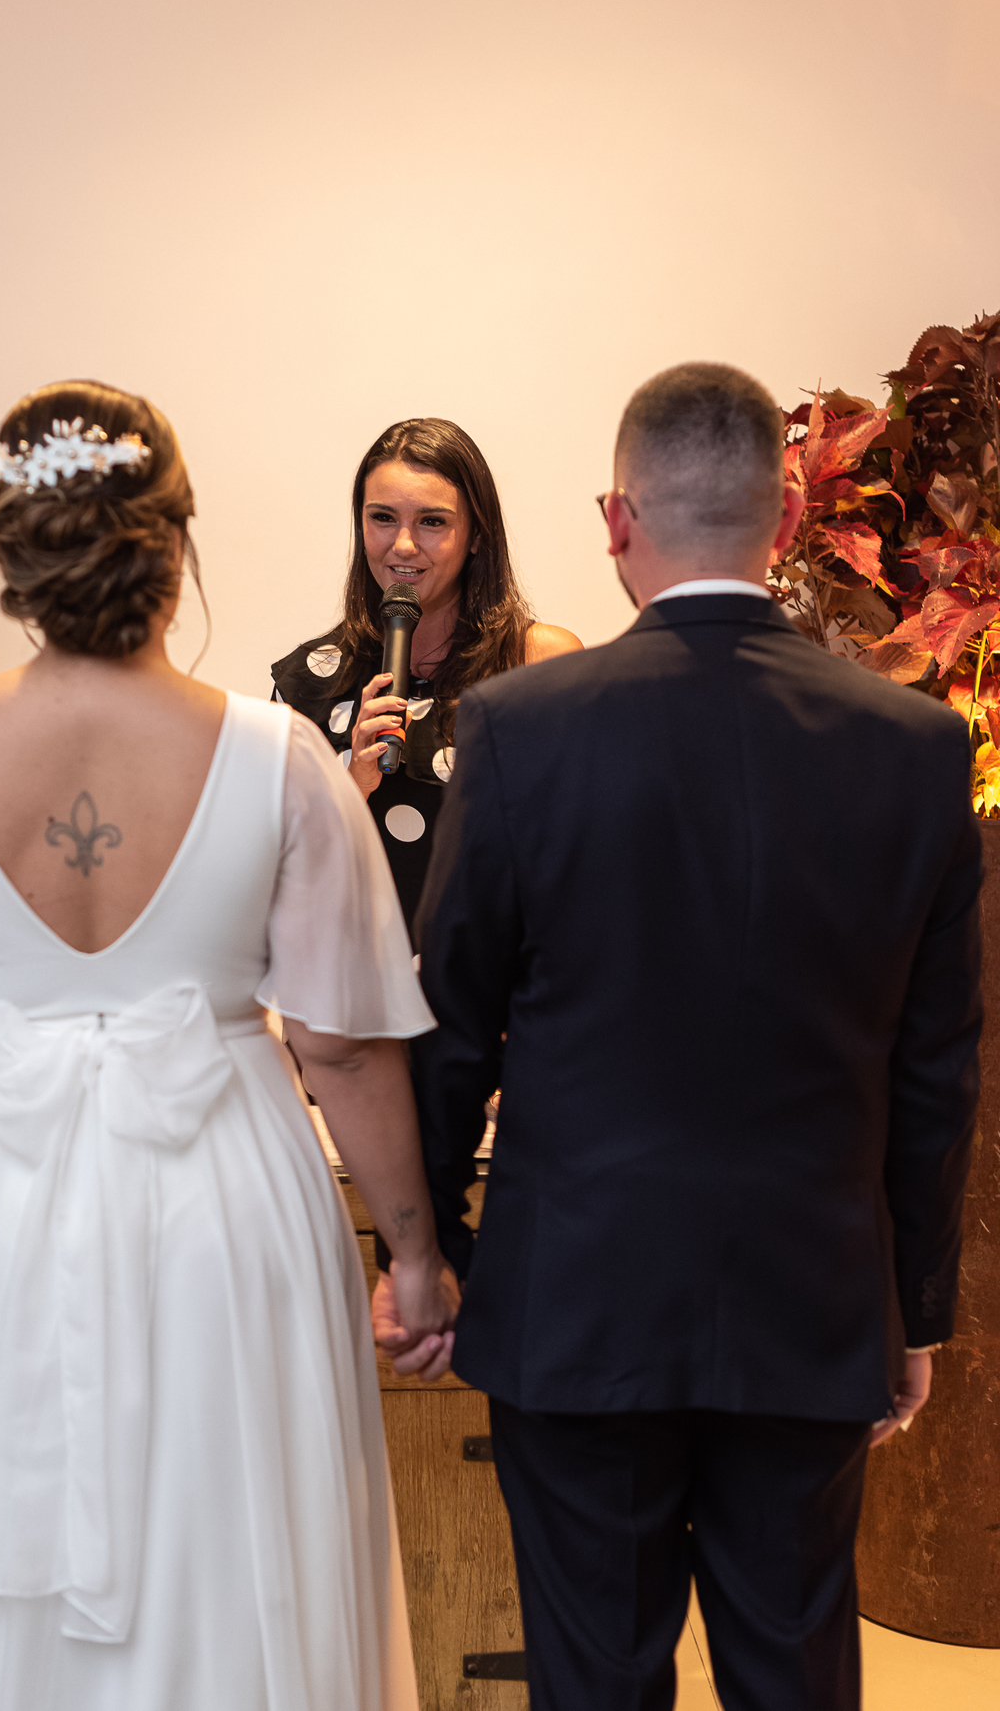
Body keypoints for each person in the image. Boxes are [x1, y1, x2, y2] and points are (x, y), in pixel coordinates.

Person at [0, 380, 459, 1711]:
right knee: (237, 1530)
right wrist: (416, 1255)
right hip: (228, 1193)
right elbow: (339, 1050)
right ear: (175, 540)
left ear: (9, 548)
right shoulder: (283, 761)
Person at [377, 363, 982, 1709]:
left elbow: (450, 1021)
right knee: (795, 1667)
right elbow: (937, 1066)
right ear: (787, 517)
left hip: (577, 1295)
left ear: (617, 518)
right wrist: (916, 1305)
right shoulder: (915, 745)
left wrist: (428, 1256)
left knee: (596, 1674)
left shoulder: (521, 730)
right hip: (813, 1296)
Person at [271, 417, 581, 938]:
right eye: (383, 518)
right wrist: (354, 785)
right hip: (360, 974)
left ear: (477, 535)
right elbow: (277, 876)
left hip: (492, 979)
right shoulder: (309, 682)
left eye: (432, 522)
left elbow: (577, 851)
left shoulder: (538, 662)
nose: (404, 545)